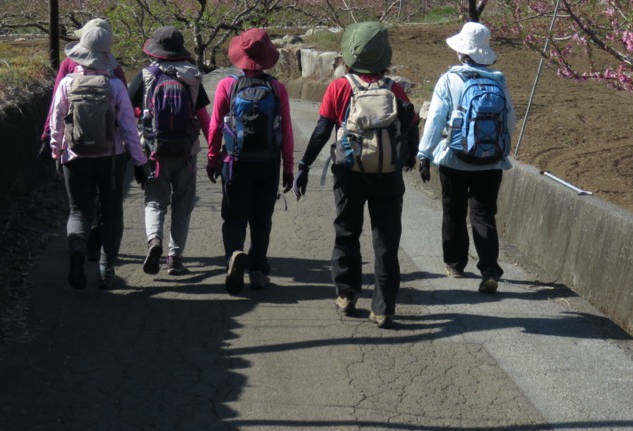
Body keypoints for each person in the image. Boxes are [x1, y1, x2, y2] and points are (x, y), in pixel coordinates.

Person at [293, 21, 418, 329]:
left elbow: (323, 130)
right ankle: (383, 307)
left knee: (347, 231)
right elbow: (412, 126)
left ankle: (347, 294)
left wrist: (305, 165)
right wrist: (408, 157)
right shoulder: (395, 88)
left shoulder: (341, 87)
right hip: (387, 174)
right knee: (386, 240)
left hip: (349, 170)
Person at [416, 22, 516, 294]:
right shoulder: (498, 79)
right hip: (491, 161)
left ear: (462, 52)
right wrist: (499, 152)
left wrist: (424, 154)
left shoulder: (450, 79)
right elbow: (509, 120)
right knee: (484, 214)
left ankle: (456, 264)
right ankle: (490, 269)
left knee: (454, 212)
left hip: (454, 158)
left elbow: (436, 119)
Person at [48, 22, 148, 290]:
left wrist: (56, 152)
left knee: (79, 211)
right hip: (111, 159)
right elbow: (129, 127)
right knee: (112, 211)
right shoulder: (114, 85)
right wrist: (140, 162)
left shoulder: (67, 83)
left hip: (74, 156)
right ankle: (106, 269)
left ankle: (79, 252)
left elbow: (56, 121)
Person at [206, 29, 294, 294]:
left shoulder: (227, 85)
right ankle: (257, 271)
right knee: (261, 218)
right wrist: (288, 167)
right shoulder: (277, 88)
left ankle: (234, 255)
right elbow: (286, 131)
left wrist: (212, 158)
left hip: (234, 162)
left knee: (234, 217)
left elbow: (215, 127)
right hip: (267, 162)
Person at [39, 18, 127, 262]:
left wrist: (53, 143)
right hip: (111, 153)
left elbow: (57, 110)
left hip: (74, 151)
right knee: (109, 209)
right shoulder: (116, 73)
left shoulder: (68, 68)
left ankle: (79, 245)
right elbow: (125, 117)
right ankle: (103, 262)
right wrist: (137, 157)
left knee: (79, 209)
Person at [128, 27, 212, 276]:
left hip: (154, 150)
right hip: (187, 151)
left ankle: (154, 241)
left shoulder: (145, 76)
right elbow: (204, 118)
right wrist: (215, 152)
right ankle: (174, 257)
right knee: (183, 204)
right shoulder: (192, 76)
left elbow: (127, 111)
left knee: (155, 200)